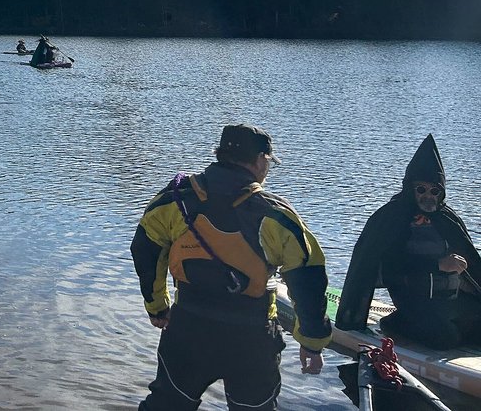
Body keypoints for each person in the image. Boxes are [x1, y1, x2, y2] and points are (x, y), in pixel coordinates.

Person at [131, 124, 330, 411]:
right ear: (260, 160)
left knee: (167, 405)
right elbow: (308, 280)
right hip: (251, 337)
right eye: (269, 162)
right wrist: (311, 341)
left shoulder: (175, 200)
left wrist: (157, 307)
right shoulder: (275, 215)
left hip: (187, 329)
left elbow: (145, 250)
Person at [336, 135, 481, 348]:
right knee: (446, 338)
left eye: (434, 191)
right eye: (421, 189)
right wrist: (437, 265)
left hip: (446, 298)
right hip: (412, 298)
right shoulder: (392, 217)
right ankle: (393, 323)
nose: (428, 196)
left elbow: (472, 263)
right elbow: (389, 267)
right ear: (410, 188)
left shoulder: (447, 218)